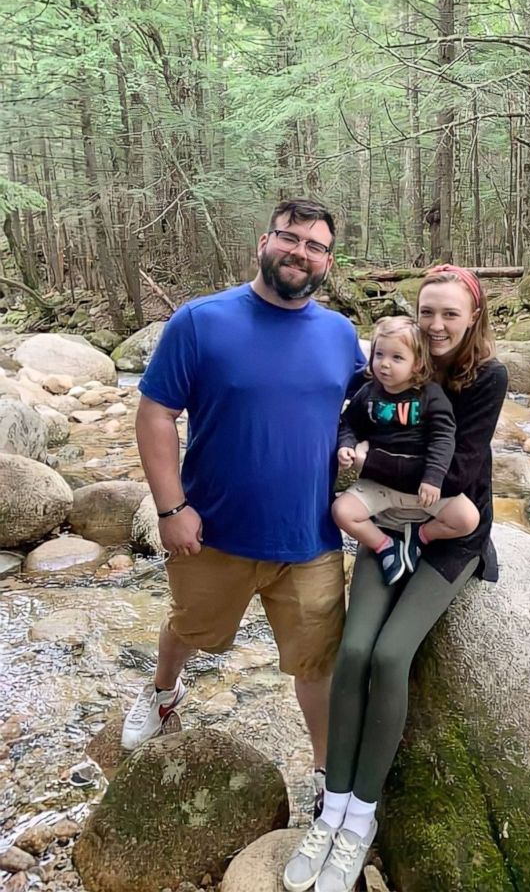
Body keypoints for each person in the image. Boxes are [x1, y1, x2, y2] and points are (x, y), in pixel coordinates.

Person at [121, 199, 366, 816]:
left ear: (328, 263)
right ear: (264, 241)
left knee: (316, 663)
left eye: (315, 246)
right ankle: (161, 692)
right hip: (213, 532)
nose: (300, 253)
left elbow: (369, 414)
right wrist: (170, 506)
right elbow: (154, 413)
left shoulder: (340, 335)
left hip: (310, 538)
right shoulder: (201, 321)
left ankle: (324, 773)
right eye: (291, 238)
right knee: (189, 627)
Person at [283, 265, 508, 892]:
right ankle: (333, 809)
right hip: (390, 521)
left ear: (473, 319)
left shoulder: (486, 376)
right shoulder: (397, 358)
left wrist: (366, 461)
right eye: (427, 312)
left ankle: (362, 820)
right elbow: (347, 408)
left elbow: (459, 476)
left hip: (446, 533)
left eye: (450, 315)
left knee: (389, 654)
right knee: (352, 650)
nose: (437, 326)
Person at [333, 315, 480, 585]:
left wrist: (433, 478)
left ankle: (420, 537)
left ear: (418, 364)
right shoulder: (368, 393)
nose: (384, 364)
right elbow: (348, 423)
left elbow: (444, 437)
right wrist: (346, 446)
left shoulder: (430, 396)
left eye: (397, 358)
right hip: (380, 485)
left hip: (424, 489)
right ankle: (385, 545)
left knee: (468, 519)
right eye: (379, 354)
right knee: (342, 511)